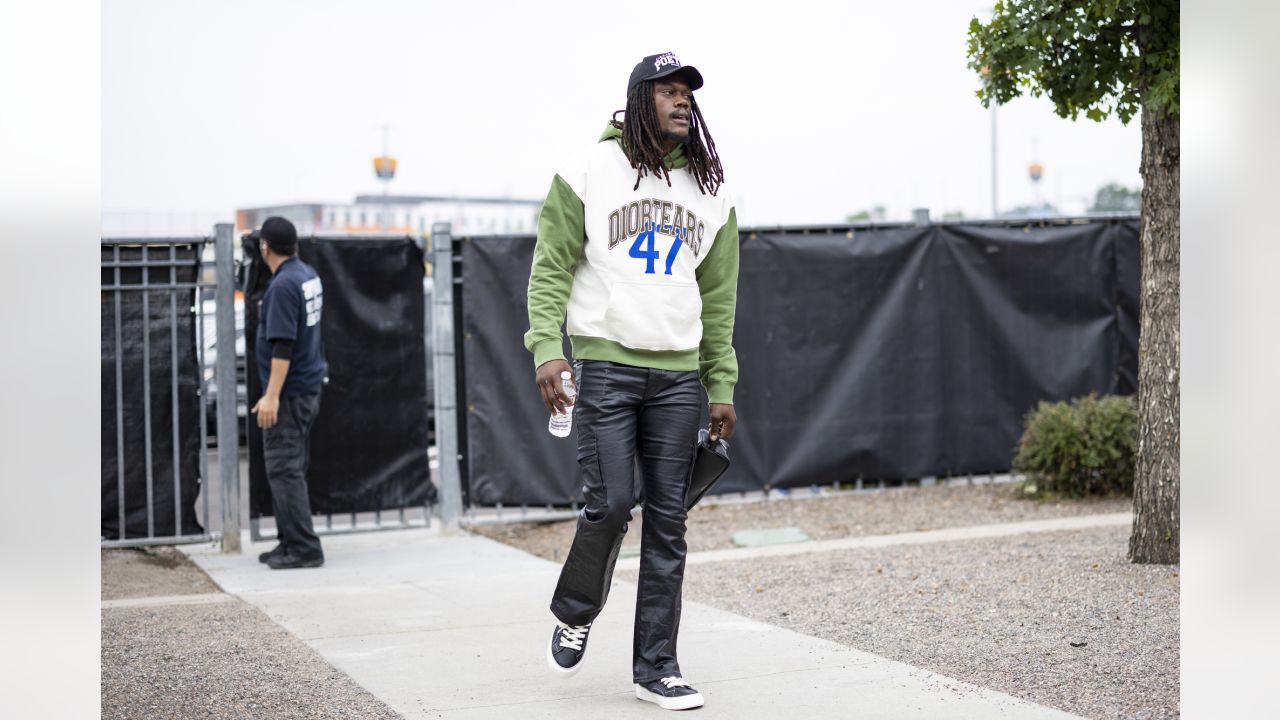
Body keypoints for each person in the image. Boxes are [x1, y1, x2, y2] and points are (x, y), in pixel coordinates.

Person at [524, 52, 739, 711]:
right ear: (640, 99)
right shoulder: (591, 169)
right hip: (608, 366)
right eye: (669, 92)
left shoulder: (712, 190)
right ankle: (577, 608)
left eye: (688, 95)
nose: (682, 102)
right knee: (611, 505)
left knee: (669, 521)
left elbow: (721, 295)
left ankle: (657, 669)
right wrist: (545, 347)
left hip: (677, 377)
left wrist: (721, 383)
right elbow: (551, 266)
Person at [251, 216, 327, 570]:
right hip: (307, 388)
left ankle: (302, 547)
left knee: (284, 470)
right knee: (292, 467)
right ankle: (289, 542)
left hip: (290, 392)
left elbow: (284, 345)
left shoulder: (283, 286)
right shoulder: (306, 275)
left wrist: (271, 396)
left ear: (265, 247)